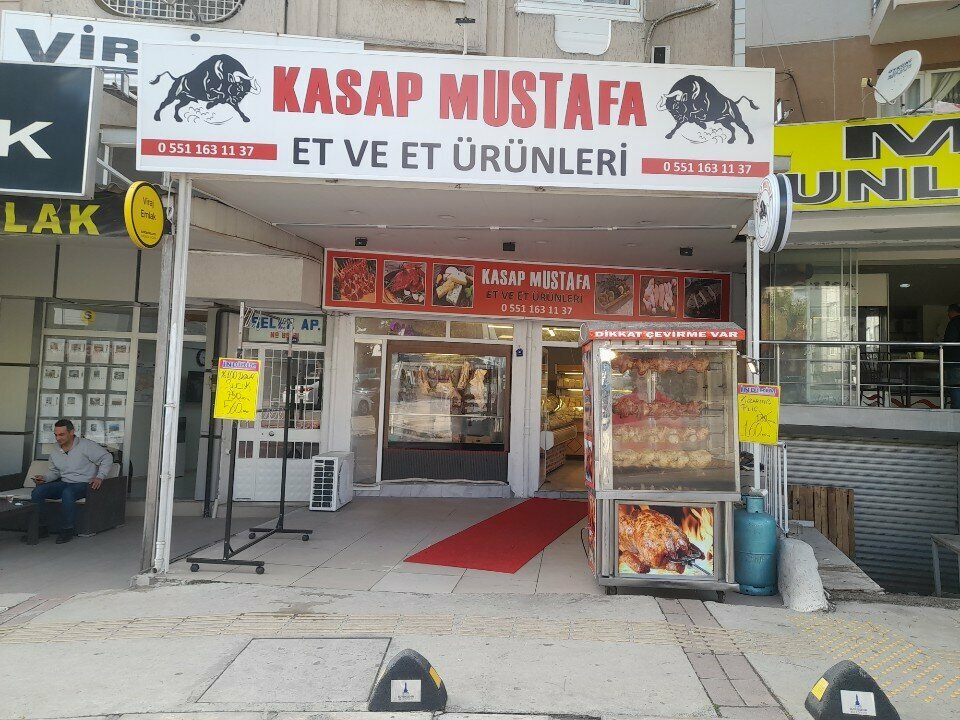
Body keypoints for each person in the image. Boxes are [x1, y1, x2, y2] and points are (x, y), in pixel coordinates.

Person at [29, 419, 113, 544]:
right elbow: (55, 472)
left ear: (71, 432)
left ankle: (67, 530)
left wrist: (100, 476)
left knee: (68, 493)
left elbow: (107, 457)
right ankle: (41, 529)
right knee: (38, 492)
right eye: (56, 435)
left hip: (84, 484)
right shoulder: (55, 450)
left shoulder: (86, 445)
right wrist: (45, 478)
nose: (58, 438)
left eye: (61, 434)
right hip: (65, 482)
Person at [944, 304, 960, 410]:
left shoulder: (954, 323)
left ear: (952, 311)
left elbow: (949, 342)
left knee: (955, 386)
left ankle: (956, 413)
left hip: (955, 361)